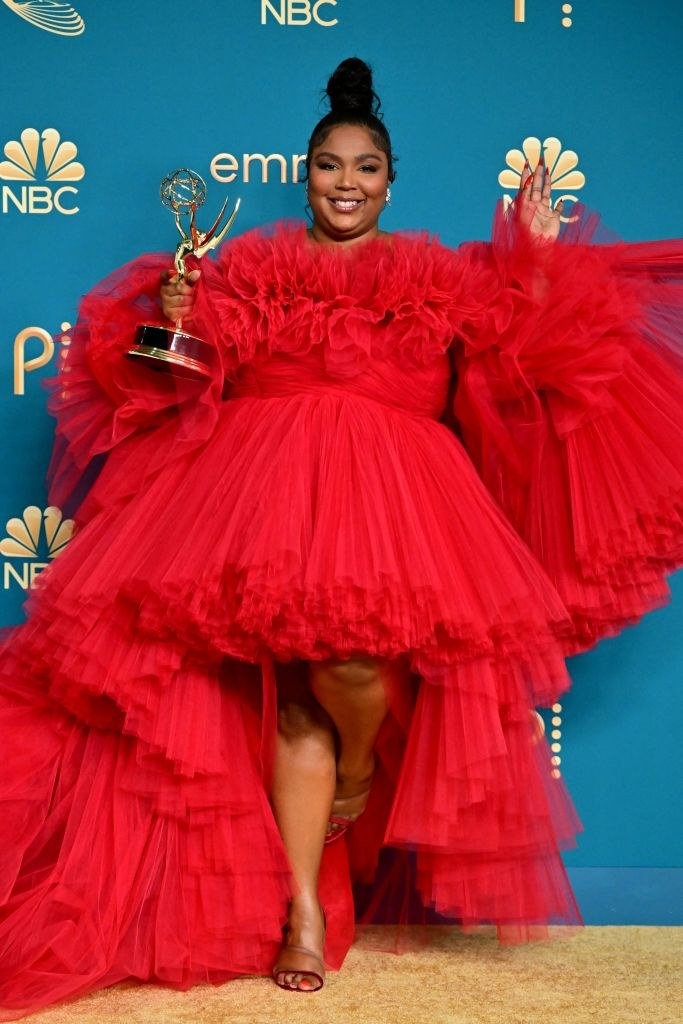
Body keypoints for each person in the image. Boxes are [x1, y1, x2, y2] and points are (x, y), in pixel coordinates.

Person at [0, 56, 682, 1012]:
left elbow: (524, 365)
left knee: (352, 673)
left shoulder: (435, 274)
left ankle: (354, 785)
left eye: (365, 167)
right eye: (329, 166)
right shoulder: (247, 266)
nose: (346, 183)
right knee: (294, 701)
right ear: (305, 173)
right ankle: (303, 916)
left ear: (390, 181)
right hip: (257, 499)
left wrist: (533, 260)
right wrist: (177, 321)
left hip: (397, 503)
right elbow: (182, 383)